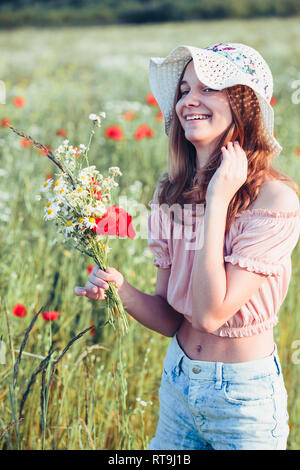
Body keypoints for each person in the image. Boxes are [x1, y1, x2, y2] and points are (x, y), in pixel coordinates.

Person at [74, 42, 300, 450]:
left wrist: (217, 201)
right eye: (183, 91)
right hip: (178, 383)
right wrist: (121, 290)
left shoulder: (275, 200)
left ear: (243, 103)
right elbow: (171, 319)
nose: (188, 101)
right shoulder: (170, 194)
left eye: (207, 88)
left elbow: (211, 314)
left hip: (242, 401)